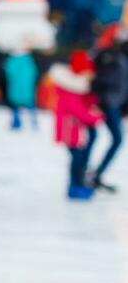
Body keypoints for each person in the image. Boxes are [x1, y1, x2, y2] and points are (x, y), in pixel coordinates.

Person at [52, 52, 103, 201]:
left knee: (78, 158)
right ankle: (75, 187)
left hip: (74, 128)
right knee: (77, 159)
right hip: (70, 129)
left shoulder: (78, 87)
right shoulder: (71, 88)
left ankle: (76, 185)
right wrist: (97, 116)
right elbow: (78, 110)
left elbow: (85, 101)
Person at [90, 36, 128, 192]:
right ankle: (94, 174)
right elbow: (102, 80)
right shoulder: (112, 57)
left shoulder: (121, 58)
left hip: (115, 104)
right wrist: (101, 102)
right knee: (115, 139)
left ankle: (95, 174)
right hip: (108, 104)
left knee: (115, 139)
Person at [3, 43, 40, 131]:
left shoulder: (11, 60)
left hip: (15, 86)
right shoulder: (28, 59)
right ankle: (33, 121)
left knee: (15, 104)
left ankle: (16, 122)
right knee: (30, 103)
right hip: (27, 87)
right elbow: (34, 72)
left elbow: (7, 71)